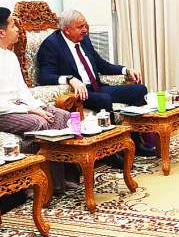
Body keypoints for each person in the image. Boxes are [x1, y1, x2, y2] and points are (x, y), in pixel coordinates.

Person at [0, 7, 72, 192]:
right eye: (13, 25)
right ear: (1, 32)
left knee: (61, 116)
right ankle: (29, 185)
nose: (18, 29)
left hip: (15, 107)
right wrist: (31, 110)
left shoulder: (9, 55)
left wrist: (40, 107)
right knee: (38, 123)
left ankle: (56, 182)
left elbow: (22, 91)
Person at [35, 9, 155, 156]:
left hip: (97, 87)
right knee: (104, 99)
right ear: (67, 30)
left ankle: (137, 142)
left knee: (139, 90)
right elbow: (45, 76)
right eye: (80, 27)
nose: (85, 30)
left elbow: (101, 64)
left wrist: (126, 70)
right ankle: (112, 151)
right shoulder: (51, 45)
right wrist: (70, 79)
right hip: (79, 94)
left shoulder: (84, 40)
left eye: (85, 25)